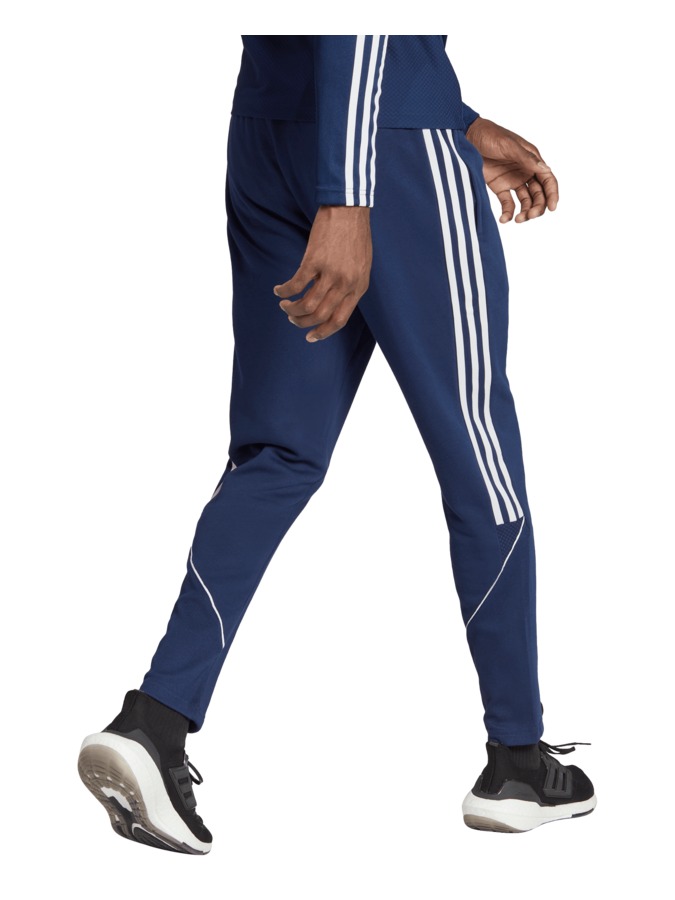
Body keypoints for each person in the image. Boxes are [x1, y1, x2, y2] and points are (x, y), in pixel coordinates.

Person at [78, 35, 596, 854]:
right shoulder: (364, 178)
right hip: (383, 157)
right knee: (479, 458)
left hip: (269, 135)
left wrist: (456, 116)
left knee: (276, 455)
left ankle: (155, 719)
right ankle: (518, 762)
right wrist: (349, 197)